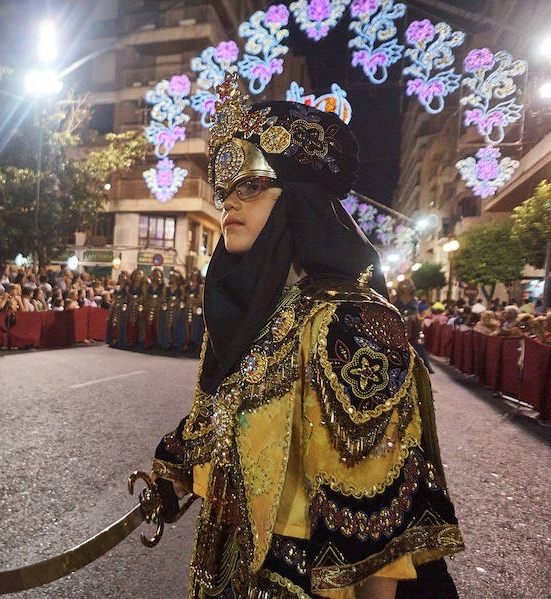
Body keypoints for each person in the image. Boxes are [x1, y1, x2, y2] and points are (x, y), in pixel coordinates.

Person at [150, 81, 462, 599]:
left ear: (299, 201)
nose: (229, 202)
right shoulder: (257, 315)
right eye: (225, 191)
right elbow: (229, 417)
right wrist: (180, 461)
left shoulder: (350, 326)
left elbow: (378, 532)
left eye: (251, 186)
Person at [394, 279, 433, 373]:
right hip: (399, 324)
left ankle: (415, 365)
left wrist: (421, 318)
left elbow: (416, 314)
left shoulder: (414, 299)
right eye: (405, 286)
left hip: (412, 325)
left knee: (414, 343)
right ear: (401, 287)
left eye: (409, 287)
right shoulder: (395, 298)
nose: (407, 288)